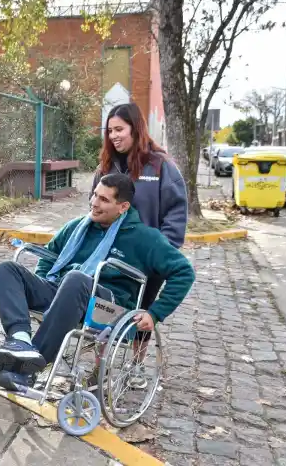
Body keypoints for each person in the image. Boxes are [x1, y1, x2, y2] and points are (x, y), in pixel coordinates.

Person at [0, 173, 195, 392]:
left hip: (107, 307)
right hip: (64, 291)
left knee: (76, 278)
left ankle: (28, 368)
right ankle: (21, 341)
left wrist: (155, 313)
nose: (94, 203)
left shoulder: (145, 238)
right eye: (95, 195)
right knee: (7, 269)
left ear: (123, 207)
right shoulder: (78, 226)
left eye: (104, 199)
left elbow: (184, 272)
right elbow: (50, 256)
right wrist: (42, 280)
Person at [90, 103, 188, 386]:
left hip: (147, 258)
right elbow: (94, 204)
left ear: (136, 129)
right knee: (104, 305)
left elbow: (176, 210)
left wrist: (161, 248)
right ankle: (99, 367)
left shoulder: (160, 166)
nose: (113, 136)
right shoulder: (106, 165)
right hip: (111, 254)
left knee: (142, 311)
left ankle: (136, 365)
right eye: (110, 131)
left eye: (119, 129)